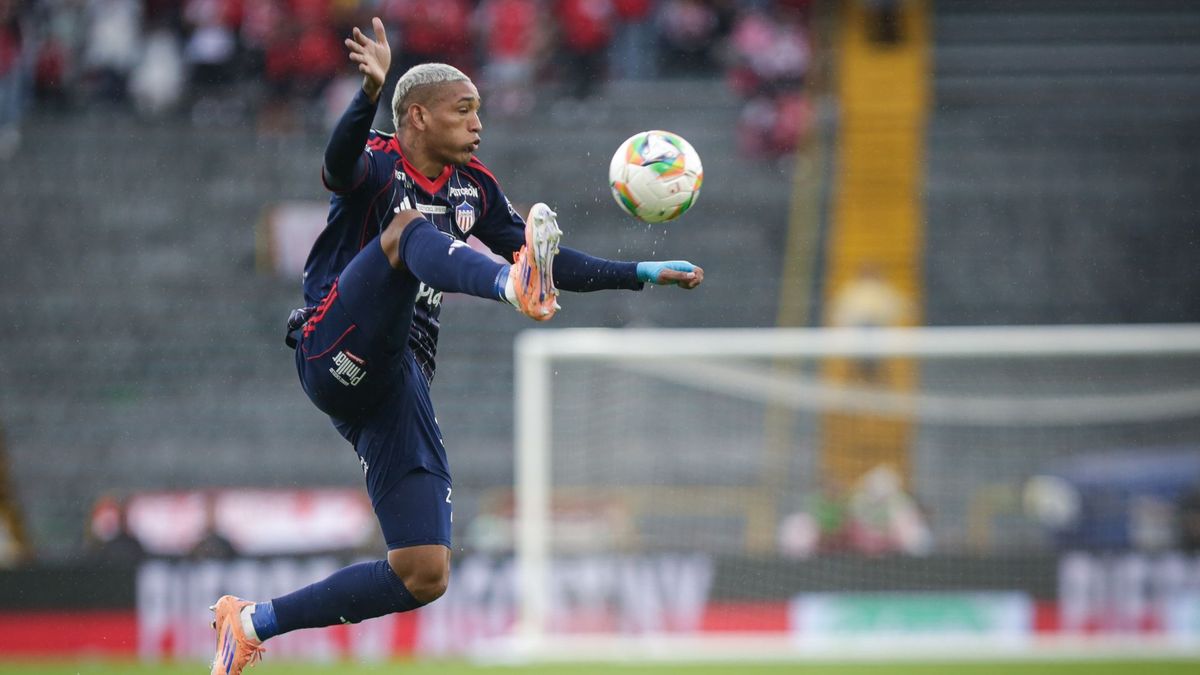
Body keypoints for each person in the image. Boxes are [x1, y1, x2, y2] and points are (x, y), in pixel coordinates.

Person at [207, 17, 703, 675]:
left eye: (480, 111)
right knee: (406, 231)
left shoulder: (476, 189)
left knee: (423, 570)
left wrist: (639, 273)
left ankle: (250, 622)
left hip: (397, 376)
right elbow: (335, 164)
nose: (478, 123)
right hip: (334, 339)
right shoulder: (380, 163)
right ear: (415, 116)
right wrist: (366, 94)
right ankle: (505, 283)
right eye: (463, 109)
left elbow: (554, 262)